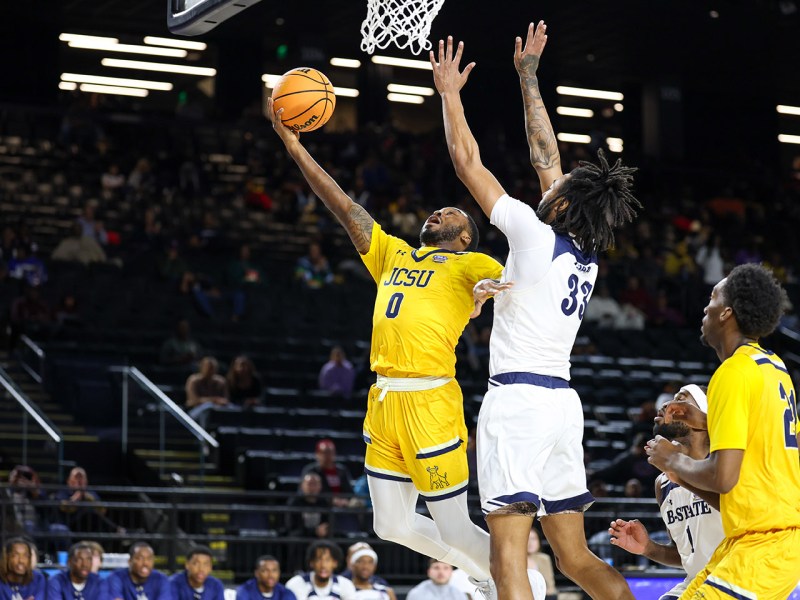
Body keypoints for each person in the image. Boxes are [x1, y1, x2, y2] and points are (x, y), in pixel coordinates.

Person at [431, 23, 639, 600]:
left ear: (562, 203)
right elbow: (547, 156)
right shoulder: (584, 248)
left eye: (559, 185)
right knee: (575, 558)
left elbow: (467, 163)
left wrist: (449, 95)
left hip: (519, 403)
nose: (552, 177)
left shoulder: (530, 230)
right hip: (561, 406)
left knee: (508, 562)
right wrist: (528, 77)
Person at [268, 96, 508, 596]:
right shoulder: (393, 254)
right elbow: (345, 207)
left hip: (429, 399)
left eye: (451, 213)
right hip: (383, 399)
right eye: (437, 209)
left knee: (454, 527)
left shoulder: (472, 264)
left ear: (465, 237)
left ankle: (516, 581)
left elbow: (513, 288)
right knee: (390, 525)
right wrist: (294, 147)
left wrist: (487, 295)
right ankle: (486, 573)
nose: (438, 211)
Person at [645, 264, 800, 599]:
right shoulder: (774, 366)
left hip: (764, 543)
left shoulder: (733, 372)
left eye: (713, 298)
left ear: (727, 312)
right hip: (758, 540)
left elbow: (723, 478)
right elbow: (770, 436)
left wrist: (672, 460)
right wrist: (707, 421)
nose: (706, 307)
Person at [610, 385, 724, 600]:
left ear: (703, 415)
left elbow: (741, 511)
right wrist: (648, 548)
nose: (667, 405)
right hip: (696, 582)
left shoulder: (726, 465)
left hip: (736, 578)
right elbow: (685, 555)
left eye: (681, 399)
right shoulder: (662, 483)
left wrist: (679, 473)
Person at [285, 541, 356, 600]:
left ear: (335, 563)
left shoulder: (345, 584)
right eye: (318, 560)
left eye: (327, 560)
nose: (323, 565)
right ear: (311, 563)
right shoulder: (297, 583)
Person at [108, 542, 173, 600]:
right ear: (130, 561)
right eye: (140, 558)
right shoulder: (117, 577)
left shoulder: (161, 579)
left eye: (149, 559)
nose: (145, 563)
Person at [299, 439, 353, 508]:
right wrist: (331, 500)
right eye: (324, 453)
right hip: (320, 506)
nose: (328, 456)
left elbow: (349, 491)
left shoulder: (342, 470)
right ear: (317, 454)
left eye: (330, 452)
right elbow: (304, 491)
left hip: (343, 506)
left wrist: (345, 500)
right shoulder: (311, 470)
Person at [185, 357, 230, 424]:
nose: (210, 370)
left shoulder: (221, 381)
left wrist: (217, 402)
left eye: (212, 368)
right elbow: (193, 401)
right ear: (201, 367)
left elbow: (225, 400)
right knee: (208, 407)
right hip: (195, 411)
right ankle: (203, 430)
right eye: (208, 367)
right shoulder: (193, 380)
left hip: (217, 409)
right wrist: (214, 400)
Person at [525, 529, 556, 600]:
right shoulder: (516, 560)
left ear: (539, 541)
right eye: (527, 539)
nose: (530, 542)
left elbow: (551, 586)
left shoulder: (544, 559)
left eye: (534, 539)